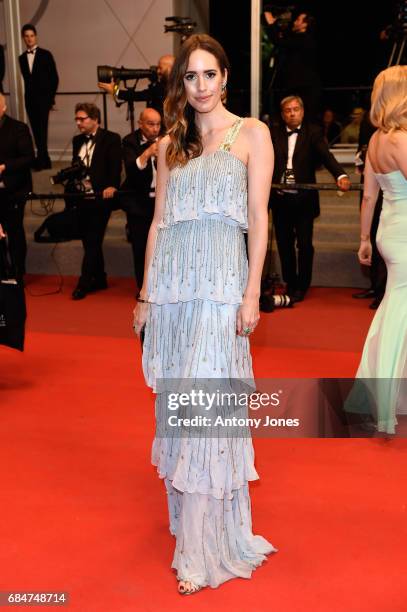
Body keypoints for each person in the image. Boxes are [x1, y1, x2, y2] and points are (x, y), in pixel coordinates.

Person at [132, 34, 276, 594]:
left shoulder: (252, 134)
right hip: (174, 293)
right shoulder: (172, 143)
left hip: (220, 290)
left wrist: (251, 293)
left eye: (208, 75)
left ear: (225, 77)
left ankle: (204, 546)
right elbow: (158, 224)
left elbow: (259, 220)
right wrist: (146, 296)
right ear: (180, 84)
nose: (199, 87)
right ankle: (189, 529)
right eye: (189, 77)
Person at [348, 65, 407, 434]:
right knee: (397, 312)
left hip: (390, 230)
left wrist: (364, 239)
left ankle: (384, 395)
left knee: (395, 308)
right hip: (404, 234)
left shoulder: (374, 141)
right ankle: (383, 400)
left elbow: (369, 196)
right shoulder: (401, 141)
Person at [269, 95, 351, 302]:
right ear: (282, 114)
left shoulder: (313, 132)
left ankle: (302, 285)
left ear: (302, 111)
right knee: (285, 245)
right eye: (288, 110)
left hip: (304, 200)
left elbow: (326, 155)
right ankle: (291, 283)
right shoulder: (273, 134)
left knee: (305, 245)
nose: (292, 113)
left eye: (296, 109)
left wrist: (340, 174)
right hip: (280, 200)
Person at [71, 103, 122, 300]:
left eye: (82, 119)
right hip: (82, 198)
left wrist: (112, 186)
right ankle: (100, 278)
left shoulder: (111, 139)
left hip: (102, 198)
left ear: (95, 119)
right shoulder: (77, 141)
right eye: (77, 119)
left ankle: (83, 283)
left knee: (92, 239)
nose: (78, 123)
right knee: (89, 241)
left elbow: (115, 167)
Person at [121, 107, 161, 291]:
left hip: (161, 204)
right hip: (138, 204)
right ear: (140, 124)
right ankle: (143, 288)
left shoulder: (166, 139)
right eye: (151, 124)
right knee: (140, 249)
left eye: (158, 124)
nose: (155, 128)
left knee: (162, 249)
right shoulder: (129, 141)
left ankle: (161, 287)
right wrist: (147, 153)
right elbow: (131, 170)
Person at [352, 111, 387, 309]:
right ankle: (375, 286)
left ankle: (381, 291)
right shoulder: (370, 124)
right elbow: (361, 149)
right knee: (373, 237)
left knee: (380, 243)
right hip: (372, 187)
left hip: (386, 196)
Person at [0, 93, 35, 279]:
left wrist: (4, 167)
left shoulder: (18, 128)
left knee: (14, 232)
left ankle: (17, 272)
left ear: (4, 108)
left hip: (14, 190)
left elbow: (28, 158)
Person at [264, 10, 321, 121]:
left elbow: (279, 42)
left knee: (300, 119)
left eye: (298, 20)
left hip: (302, 88)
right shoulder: (300, 39)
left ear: (305, 24)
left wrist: (271, 24)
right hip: (299, 86)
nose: (294, 22)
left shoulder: (304, 39)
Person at [18, 24, 59, 170]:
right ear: (23, 38)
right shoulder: (21, 58)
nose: (29, 38)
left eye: (32, 35)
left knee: (42, 129)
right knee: (35, 130)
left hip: (43, 100)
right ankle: (44, 159)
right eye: (26, 36)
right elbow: (28, 81)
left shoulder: (46, 54)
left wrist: (50, 99)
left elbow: (54, 78)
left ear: (36, 36)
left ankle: (42, 160)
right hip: (29, 100)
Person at [98, 54, 175, 119]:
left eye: (160, 68)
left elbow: (138, 96)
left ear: (170, 68)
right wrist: (115, 89)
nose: (158, 71)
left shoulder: (174, 86)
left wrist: (115, 91)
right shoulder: (161, 85)